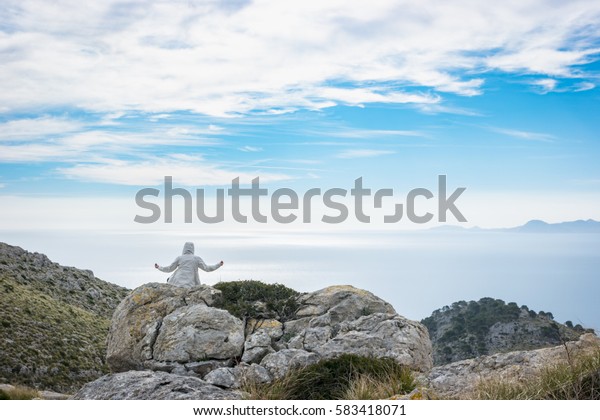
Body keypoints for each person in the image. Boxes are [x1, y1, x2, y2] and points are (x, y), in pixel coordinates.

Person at [154, 242, 223, 288]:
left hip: (177, 283)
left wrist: (159, 267)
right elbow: (207, 268)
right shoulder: (196, 258)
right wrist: (218, 264)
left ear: (184, 248)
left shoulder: (180, 258)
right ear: (193, 249)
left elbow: (169, 269)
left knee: (169, 279)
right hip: (190, 284)